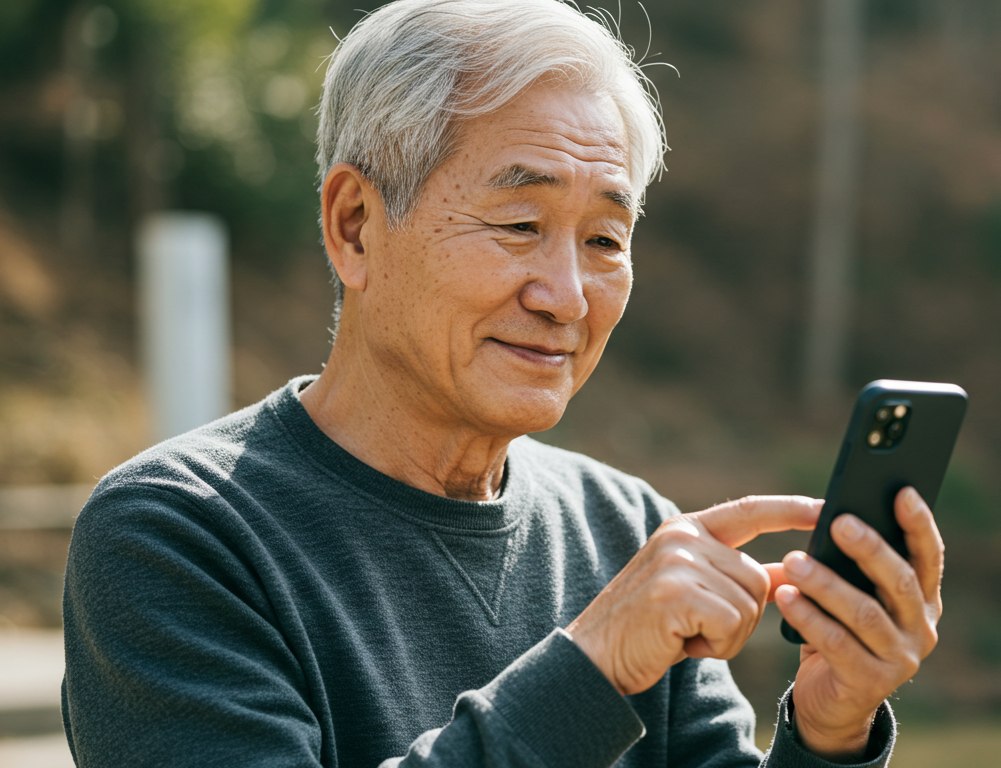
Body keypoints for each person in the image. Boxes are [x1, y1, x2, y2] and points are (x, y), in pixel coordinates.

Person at [61, 1, 945, 766]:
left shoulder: (625, 529)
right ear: (356, 226)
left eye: (604, 239)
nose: (565, 297)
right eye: (520, 222)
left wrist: (830, 730)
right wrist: (593, 666)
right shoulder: (174, 534)